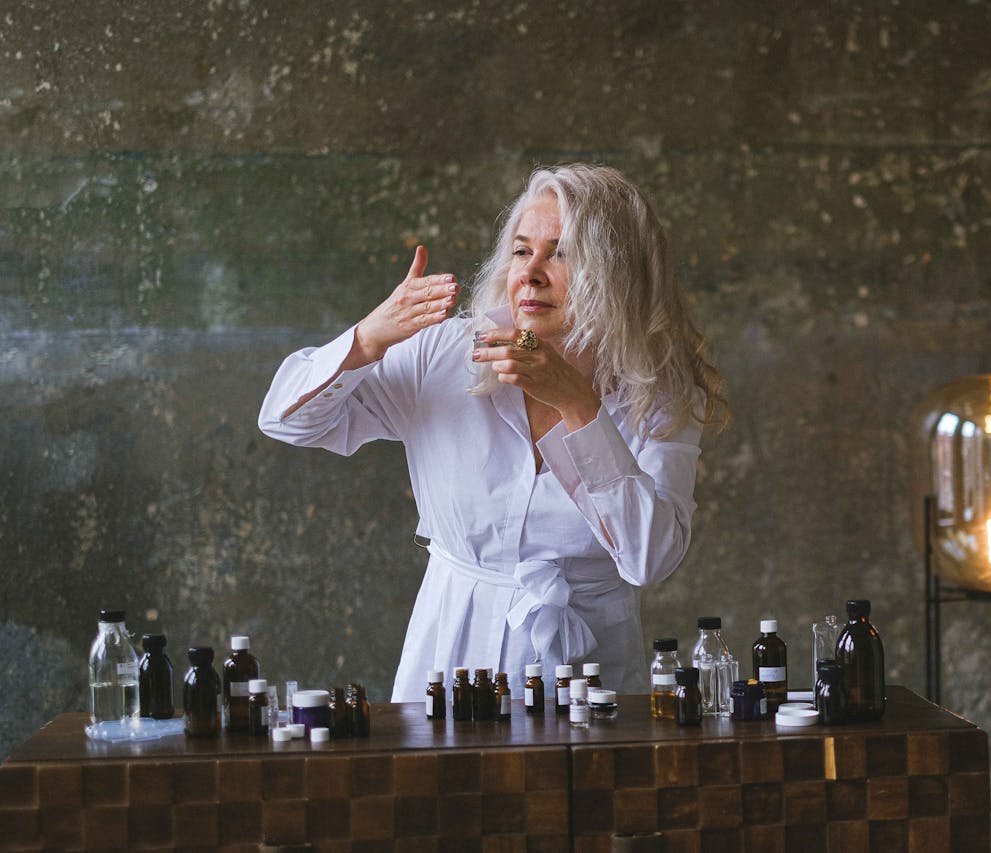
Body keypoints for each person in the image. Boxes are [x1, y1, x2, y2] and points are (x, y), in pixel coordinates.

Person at [258, 164, 726, 699]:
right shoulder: (447, 353)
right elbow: (285, 420)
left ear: (618, 272)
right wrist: (366, 340)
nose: (531, 273)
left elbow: (650, 559)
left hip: (590, 677)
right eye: (523, 251)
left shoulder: (660, 393)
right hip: (452, 654)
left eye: (563, 252)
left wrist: (577, 404)